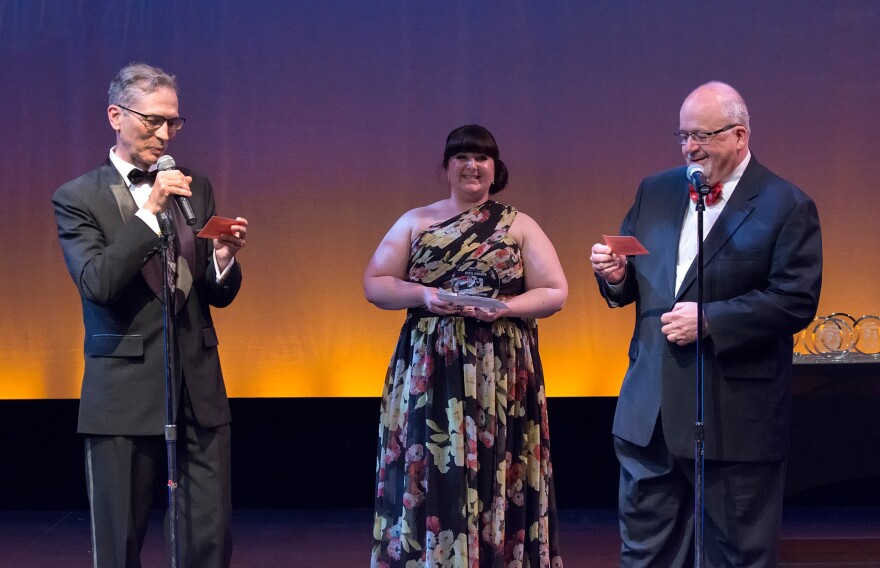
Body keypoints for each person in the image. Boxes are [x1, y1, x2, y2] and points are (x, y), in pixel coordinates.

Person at [590, 81, 822, 567]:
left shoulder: (787, 204)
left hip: (732, 414)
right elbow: (635, 278)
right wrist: (615, 276)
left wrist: (712, 320)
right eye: (683, 134)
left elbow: (795, 300)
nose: (689, 147)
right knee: (645, 553)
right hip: (649, 410)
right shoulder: (655, 190)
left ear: (740, 135)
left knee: (734, 555)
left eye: (703, 135)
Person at [52, 63, 248, 568]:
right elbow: (98, 284)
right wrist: (147, 214)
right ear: (116, 115)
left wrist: (223, 264)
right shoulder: (78, 198)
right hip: (122, 389)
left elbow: (205, 292)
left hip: (199, 390)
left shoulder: (196, 186)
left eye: (174, 123)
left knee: (207, 539)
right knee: (118, 544)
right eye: (153, 121)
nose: (165, 134)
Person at [365, 124, 567, 567]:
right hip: (433, 365)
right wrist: (424, 295)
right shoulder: (416, 221)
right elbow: (375, 284)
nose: (471, 165)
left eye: (481, 157)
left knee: (499, 465)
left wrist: (506, 306)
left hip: (500, 369)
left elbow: (554, 291)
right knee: (432, 465)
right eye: (461, 157)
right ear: (447, 167)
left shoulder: (519, 225)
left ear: (496, 169)